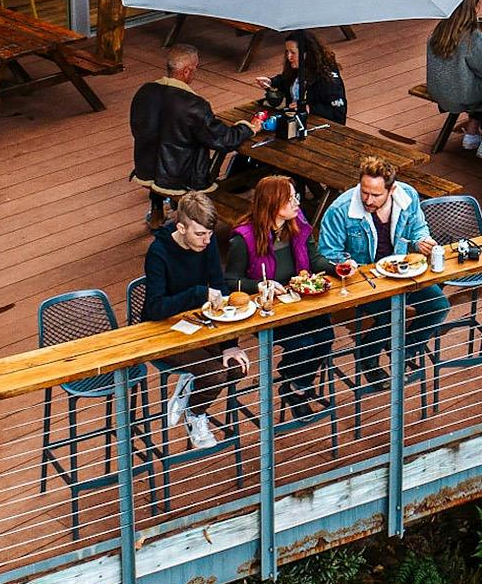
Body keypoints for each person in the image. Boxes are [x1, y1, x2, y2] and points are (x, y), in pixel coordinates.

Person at [315, 156, 450, 389]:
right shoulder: (340, 209)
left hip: (400, 271)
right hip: (362, 279)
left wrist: (422, 241)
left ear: (391, 189)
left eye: (376, 195)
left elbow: (419, 228)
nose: (368, 199)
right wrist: (348, 264)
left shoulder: (407, 196)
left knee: (439, 307)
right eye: (365, 192)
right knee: (391, 312)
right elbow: (328, 252)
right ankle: (368, 356)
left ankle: (405, 350)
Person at [142, 192, 258, 449]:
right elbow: (155, 308)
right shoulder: (159, 253)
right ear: (181, 227)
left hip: (198, 323)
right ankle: (196, 416)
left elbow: (220, 286)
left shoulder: (207, 242)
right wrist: (197, 293)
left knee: (238, 365)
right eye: (199, 235)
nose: (206, 241)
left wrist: (230, 343)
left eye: (209, 234)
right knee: (215, 374)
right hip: (162, 330)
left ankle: (192, 395)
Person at [224, 177, 334, 417]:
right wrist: (262, 284)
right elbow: (230, 282)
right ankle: (293, 379)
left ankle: (297, 385)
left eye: (296, 197)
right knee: (303, 343)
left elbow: (315, 260)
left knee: (326, 337)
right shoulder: (244, 239)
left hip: (300, 301)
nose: (297, 202)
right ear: (273, 204)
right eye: (290, 198)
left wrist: (338, 267)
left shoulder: (298, 224)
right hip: (267, 309)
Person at [129, 43, 254, 226]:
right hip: (182, 179)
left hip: (147, 168)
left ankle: (157, 212)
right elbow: (223, 140)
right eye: (196, 68)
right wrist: (248, 127)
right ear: (187, 71)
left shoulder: (144, 92)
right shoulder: (194, 105)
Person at [426, 0, 482, 158]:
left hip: (439, 91)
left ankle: (472, 130)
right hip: (461, 95)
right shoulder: (472, 37)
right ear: (475, 7)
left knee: (477, 84)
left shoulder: (438, 32)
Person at [257, 30, 349, 125]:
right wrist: (271, 82)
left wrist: (310, 108)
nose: (289, 57)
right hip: (293, 119)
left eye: (293, 52)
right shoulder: (296, 68)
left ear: (307, 54)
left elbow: (338, 113)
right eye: (287, 52)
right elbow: (285, 80)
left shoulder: (328, 78)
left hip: (316, 125)